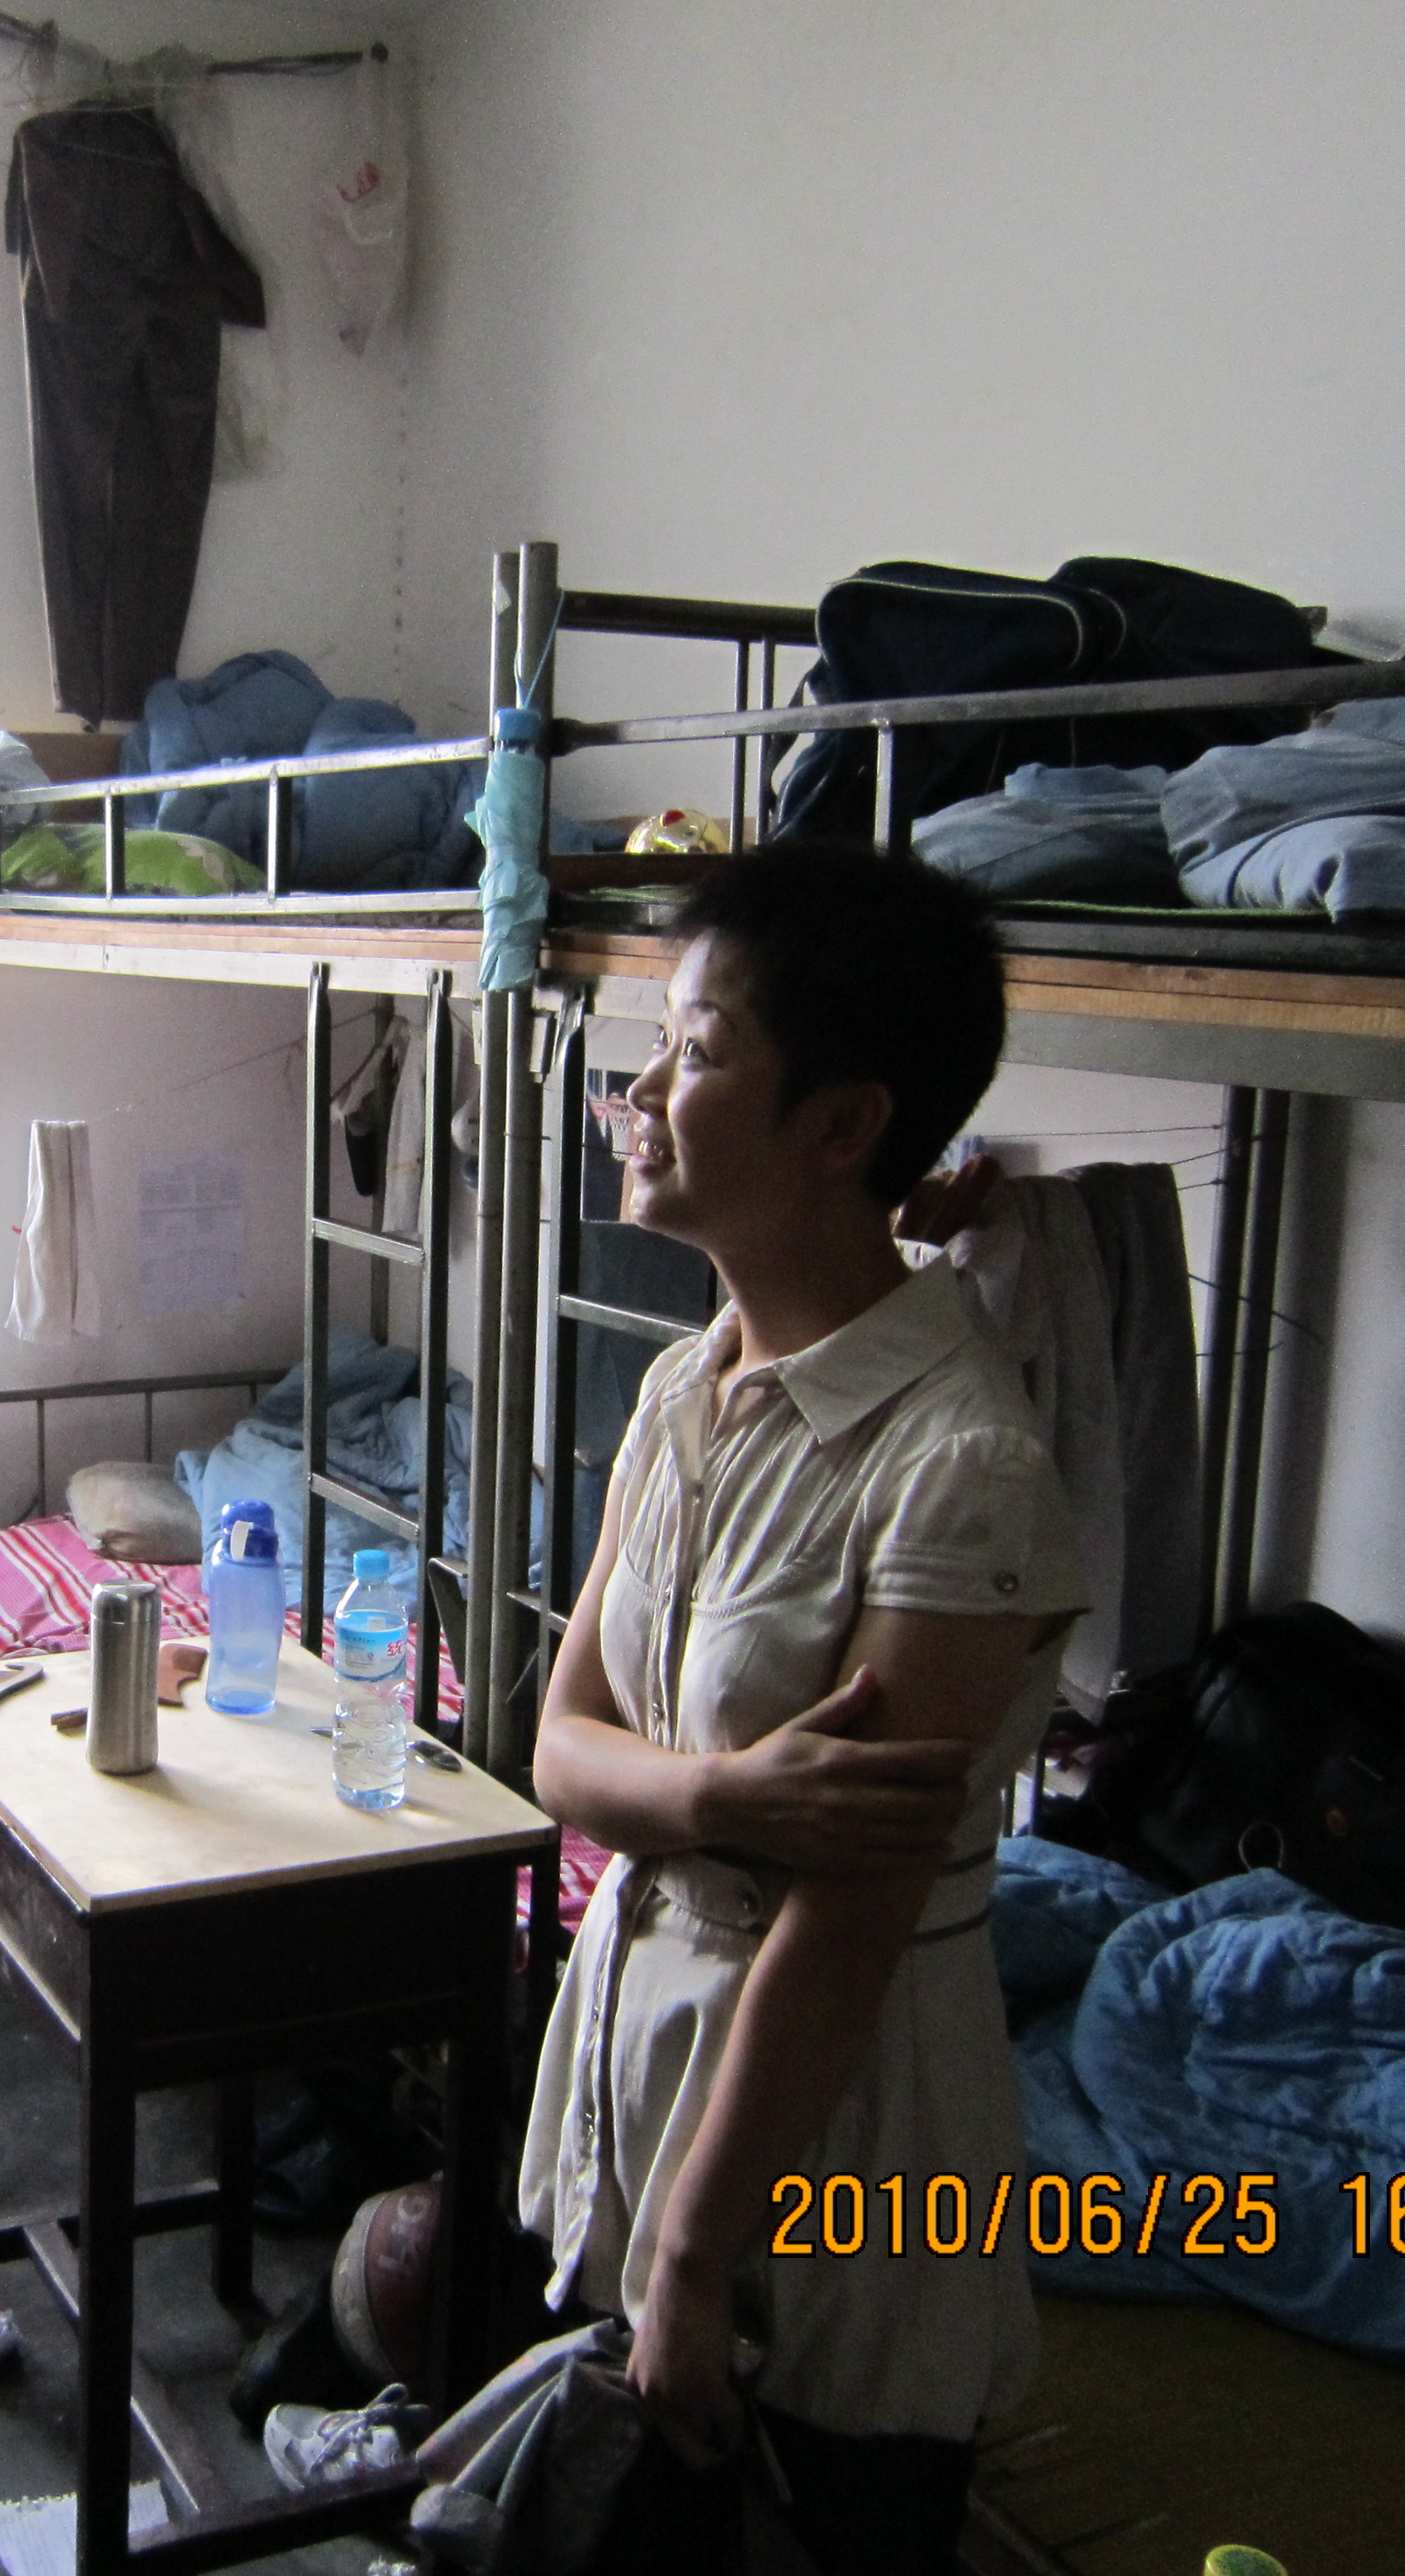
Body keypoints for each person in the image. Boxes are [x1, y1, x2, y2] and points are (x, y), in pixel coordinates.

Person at [514, 846, 1085, 2573]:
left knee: (831, 2517)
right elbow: (559, 1747)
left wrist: (696, 2255)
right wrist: (722, 1801)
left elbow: (845, 1932)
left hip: (835, 2143)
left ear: (842, 1127)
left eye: (695, 1053)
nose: (639, 1094)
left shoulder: (960, 1464)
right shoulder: (683, 1390)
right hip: (643, 2044)